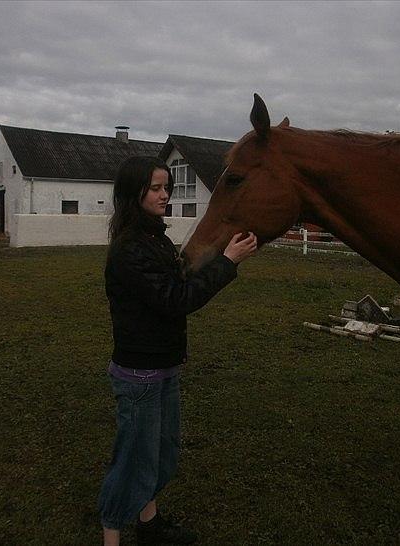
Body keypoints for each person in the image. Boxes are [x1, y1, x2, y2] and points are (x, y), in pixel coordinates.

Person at [99, 156, 257, 546]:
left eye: (166, 187)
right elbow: (176, 299)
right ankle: (111, 533)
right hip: (139, 376)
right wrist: (228, 264)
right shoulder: (129, 249)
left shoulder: (157, 239)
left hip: (164, 367)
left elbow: (182, 279)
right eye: (155, 188)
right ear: (133, 193)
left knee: (161, 455)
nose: (164, 194)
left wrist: (223, 255)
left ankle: (148, 523)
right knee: (134, 459)